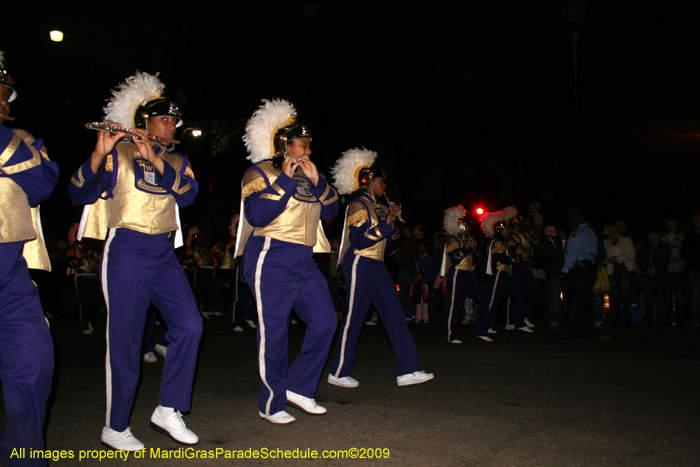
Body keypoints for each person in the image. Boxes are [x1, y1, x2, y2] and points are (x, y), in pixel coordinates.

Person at [67, 72, 202, 450]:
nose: (171, 125)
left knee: (190, 326)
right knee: (125, 341)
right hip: (126, 250)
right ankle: (115, 426)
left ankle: (167, 408)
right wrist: (99, 152)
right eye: (164, 119)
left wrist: (156, 160)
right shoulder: (118, 152)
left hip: (163, 254)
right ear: (144, 121)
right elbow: (77, 190)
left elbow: (189, 197)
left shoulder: (178, 159)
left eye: (175, 120)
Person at [235, 99, 339, 424]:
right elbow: (256, 214)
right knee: (275, 333)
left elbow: (334, 211)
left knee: (325, 322)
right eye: (303, 145)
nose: (309, 151)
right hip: (271, 256)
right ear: (285, 145)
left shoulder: (311, 176)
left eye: (309, 145)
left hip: (305, 260)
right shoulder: (259, 172)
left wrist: (318, 181)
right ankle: (271, 403)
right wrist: (286, 179)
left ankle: (299, 388)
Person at [327, 148, 433, 389]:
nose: (384, 186)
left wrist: (392, 221)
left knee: (395, 315)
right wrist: (385, 225)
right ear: (368, 182)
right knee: (354, 318)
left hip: (378, 266)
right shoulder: (356, 205)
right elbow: (361, 240)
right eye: (381, 181)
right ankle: (339, 372)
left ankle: (408, 370)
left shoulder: (383, 207)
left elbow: (392, 241)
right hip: (360, 264)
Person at [0, 51, 57, 467]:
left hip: (12, 274)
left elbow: (43, 180)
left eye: (6, 94)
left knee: (34, 365)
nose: (4, 101)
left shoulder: (23, 137)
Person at [441, 205, 491, 343]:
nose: (469, 226)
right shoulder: (453, 239)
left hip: (468, 274)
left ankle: (481, 330)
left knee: (483, 298)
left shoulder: (466, 238)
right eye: (465, 223)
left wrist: (474, 248)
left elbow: (475, 258)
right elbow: (455, 258)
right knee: (455, 305)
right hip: (458, 274)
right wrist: (466, 247)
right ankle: (449, 335)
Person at [481, 209, 531, 333]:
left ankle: (519, 323)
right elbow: (501, 259)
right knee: (493, 301)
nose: (508, 231)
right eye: (506, 229)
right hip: (499, 273)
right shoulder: (498, 243)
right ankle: (484, 325)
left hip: (505, 274)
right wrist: (518, 257)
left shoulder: (503, 242)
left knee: (517, 295)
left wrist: (516, 255)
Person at [559, 208, 598, 339]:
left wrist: (565, 270)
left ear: (579, 219)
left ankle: (569, 331)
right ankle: (586, 331)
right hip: (590, 267)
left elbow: (572, 254)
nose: (570, 221)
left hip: (581, 270)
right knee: (586, 302)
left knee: (574, 301)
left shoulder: (578, 233)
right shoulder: (590, 232)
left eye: (572, 218)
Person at [604, 221, 637, 327]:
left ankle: (627, 321)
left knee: (625, 294)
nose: (611, 233)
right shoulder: (606, 242)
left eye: (613, 231)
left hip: (624, 267)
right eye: (609, 231)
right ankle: (615, 320)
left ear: (618, 231)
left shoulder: (626, 240)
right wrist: (608, 260)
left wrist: (618, 258)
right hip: (611, 268)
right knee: (613, 295)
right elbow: (603, 257)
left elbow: (632, 254)